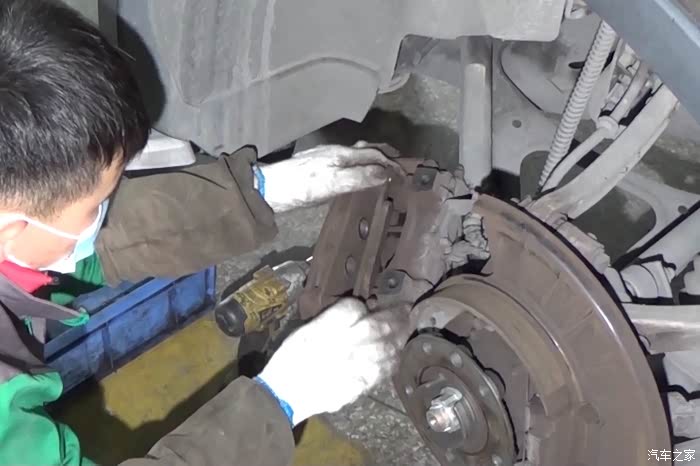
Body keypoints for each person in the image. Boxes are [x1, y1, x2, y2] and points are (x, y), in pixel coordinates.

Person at [0, 1, 411, 465]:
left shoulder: (18, 235)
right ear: (13, 229)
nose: (106, 213)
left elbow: (101, 247)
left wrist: (259, 190)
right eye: (96, 205)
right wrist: (280, 400)